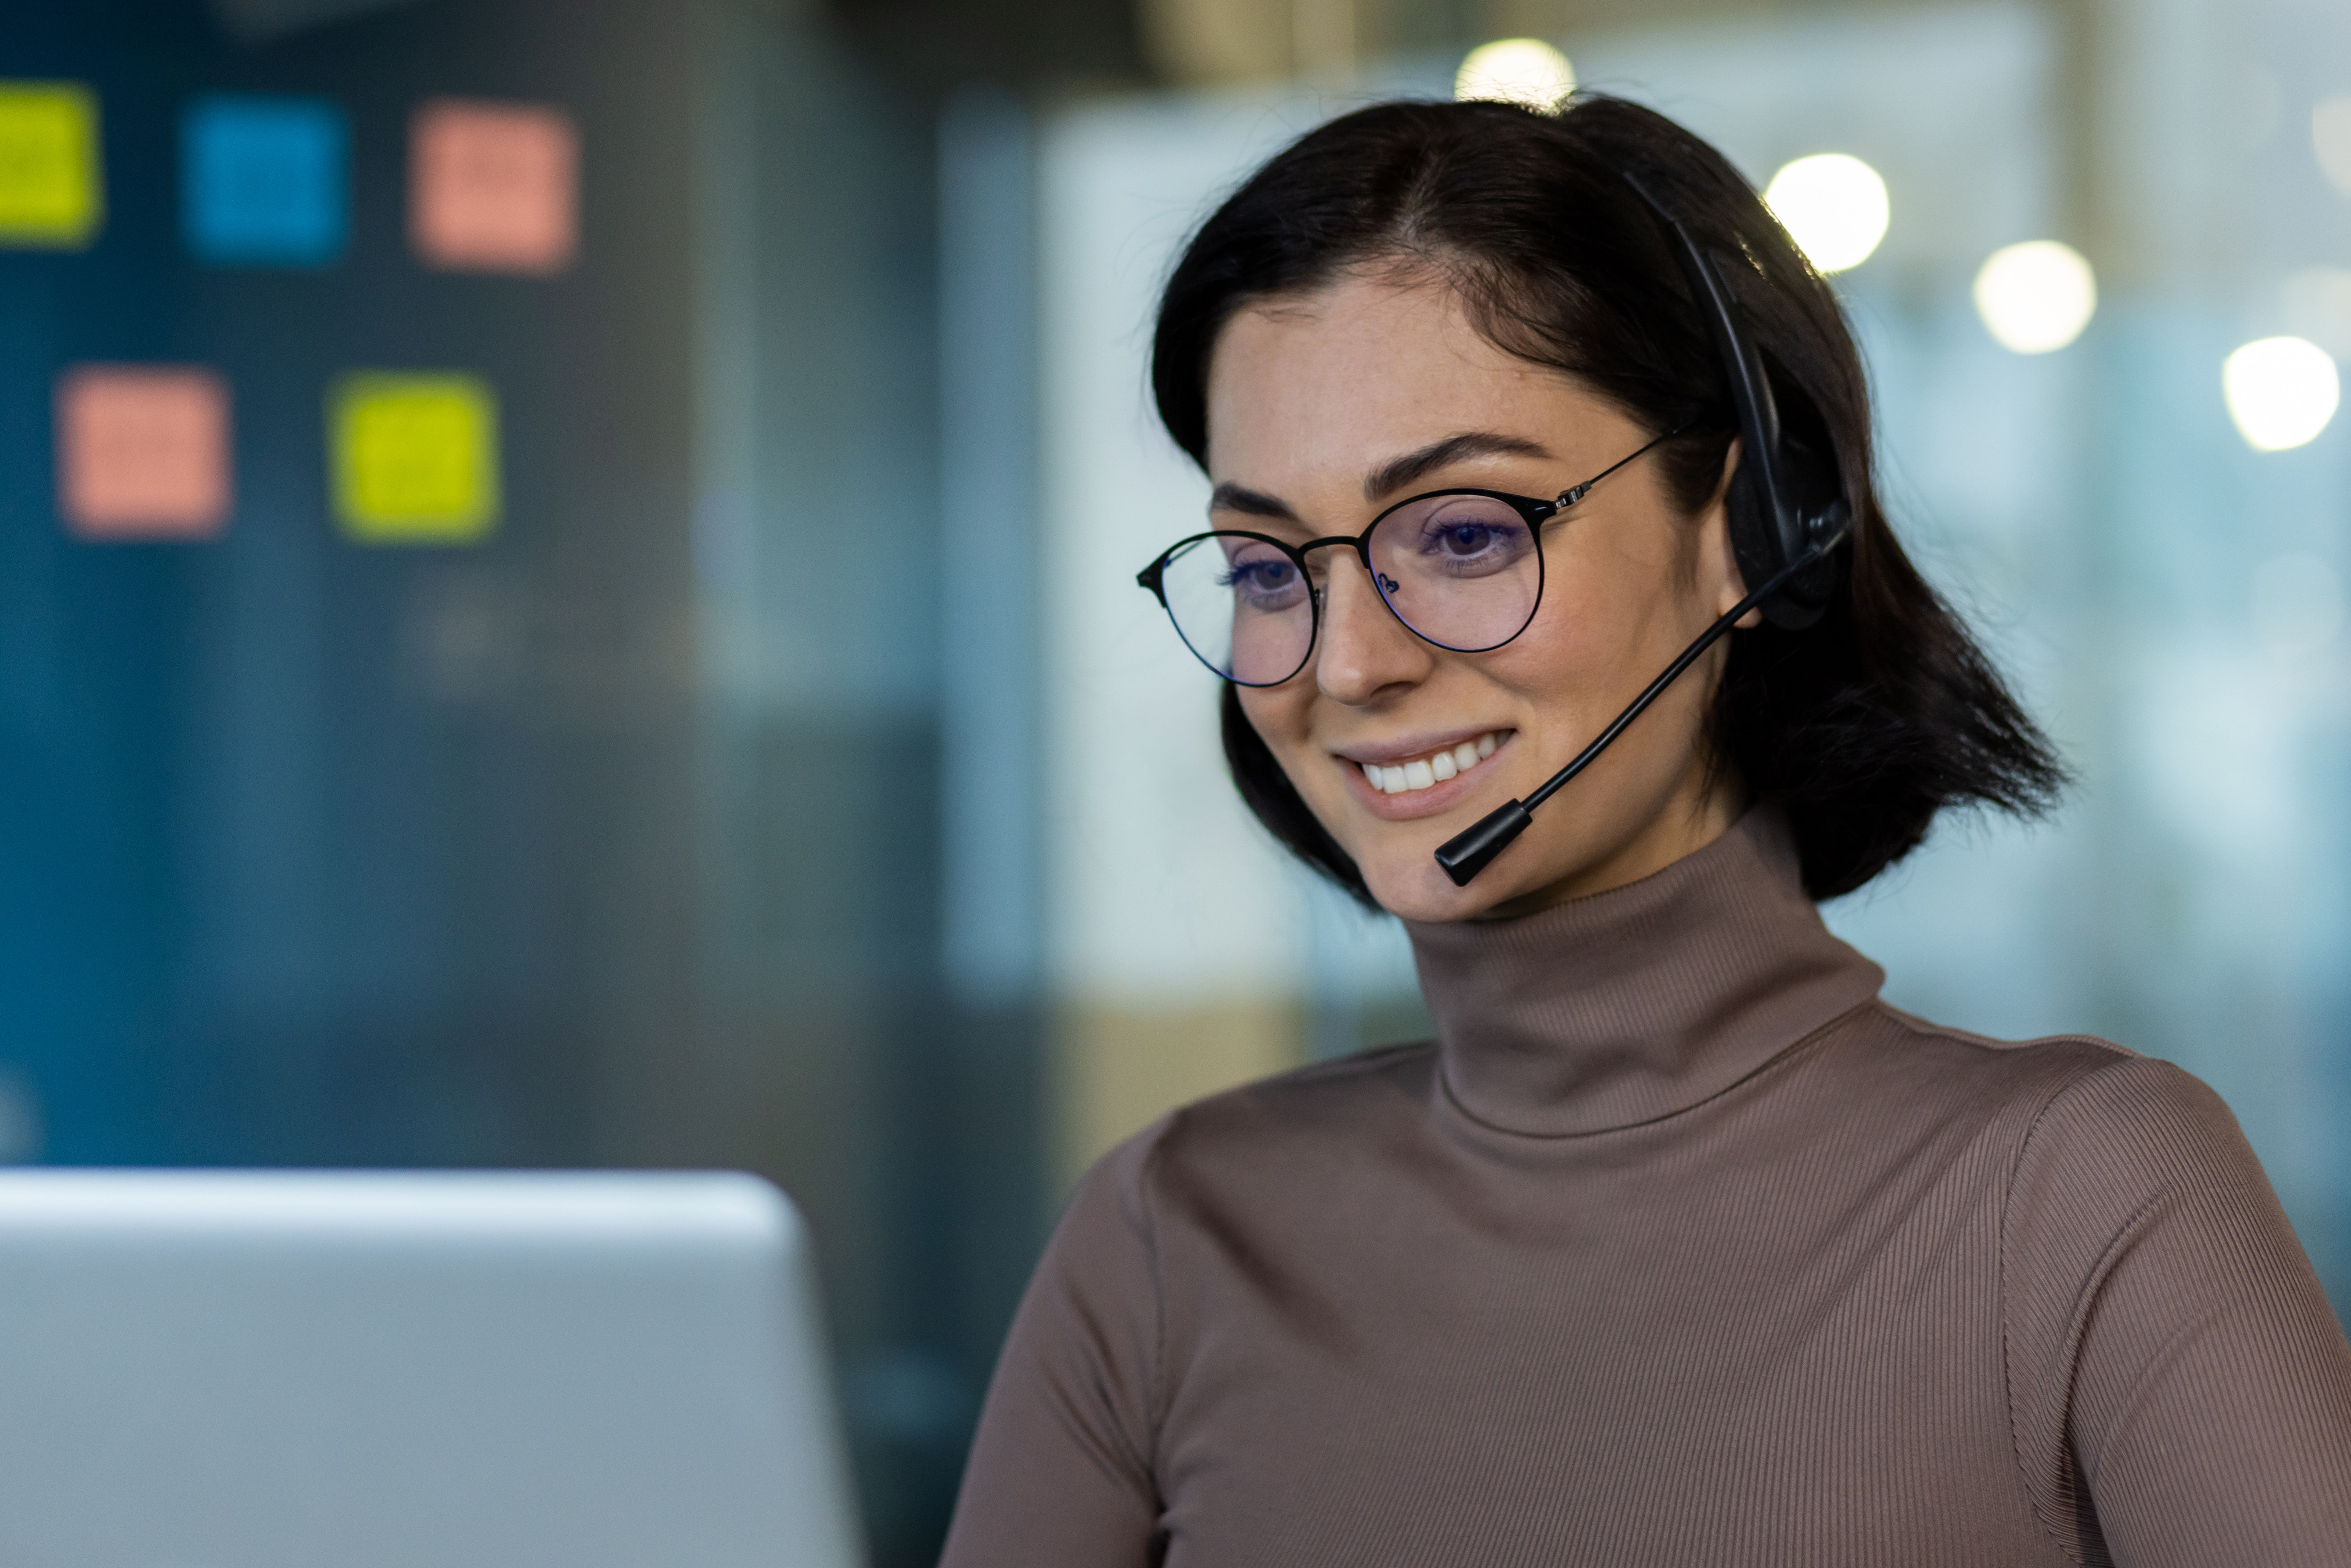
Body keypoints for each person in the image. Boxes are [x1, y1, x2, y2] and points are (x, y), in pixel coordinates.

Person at [940, 95, 2351, 1566]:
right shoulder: (1172, 1241)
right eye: (1266, 565)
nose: (1350, 663)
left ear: (1750, 533)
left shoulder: (2080, 1197)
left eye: (1466, 534)